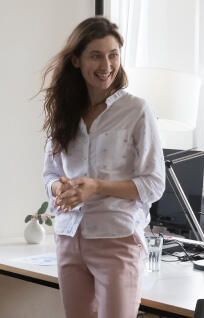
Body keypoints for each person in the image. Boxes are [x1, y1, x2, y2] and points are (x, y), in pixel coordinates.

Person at [40, 17, 165, 318]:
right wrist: (59, 188)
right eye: (96, 55)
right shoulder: (66, 111)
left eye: (113, 55)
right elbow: (50, 173)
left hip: (116, 238)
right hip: (69, 237)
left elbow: (154, 184)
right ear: (76, 60)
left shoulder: (136, 110)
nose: (106, 65)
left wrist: (96, 187)